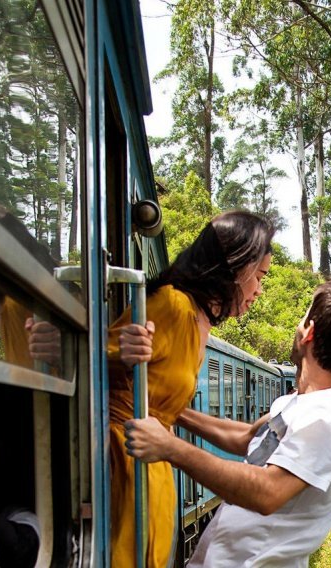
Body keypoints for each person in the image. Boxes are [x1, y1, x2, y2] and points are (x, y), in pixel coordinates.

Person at [124, 275, 331, 567]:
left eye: (302, 318)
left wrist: (171, 448)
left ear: (309, 333)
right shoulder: (303, 402)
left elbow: (268, 491)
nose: (297, 326)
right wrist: (169, 409)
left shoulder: (327, 416)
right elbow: (245, 437)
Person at [108, 211, 274, 568]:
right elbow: (94, 358)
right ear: (234, 267)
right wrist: (120, 351)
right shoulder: (173, 305)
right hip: (120, 461)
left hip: (150, 465)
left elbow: (162, 400)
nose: (260, 290)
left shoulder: (199, 321)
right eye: (259, 277)